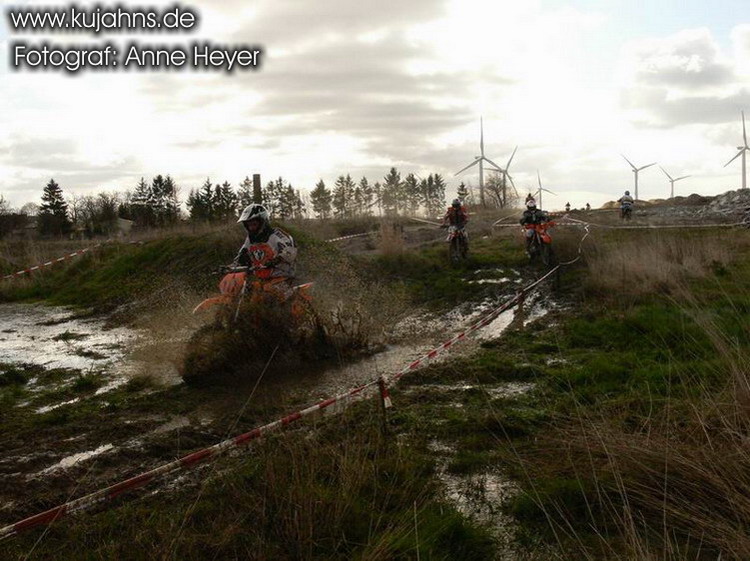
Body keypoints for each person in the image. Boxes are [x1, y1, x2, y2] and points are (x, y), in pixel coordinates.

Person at [234, 204, 297, 282]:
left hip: (282, 278)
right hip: (262, 280)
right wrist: (233, 266)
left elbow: (291, 251)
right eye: (248, 225)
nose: (251, 228)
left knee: (270, 288)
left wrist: (276, 260)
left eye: (254, 224)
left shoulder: (277, 235)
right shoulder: (250, 239)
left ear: (263, 222)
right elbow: (240, 255)